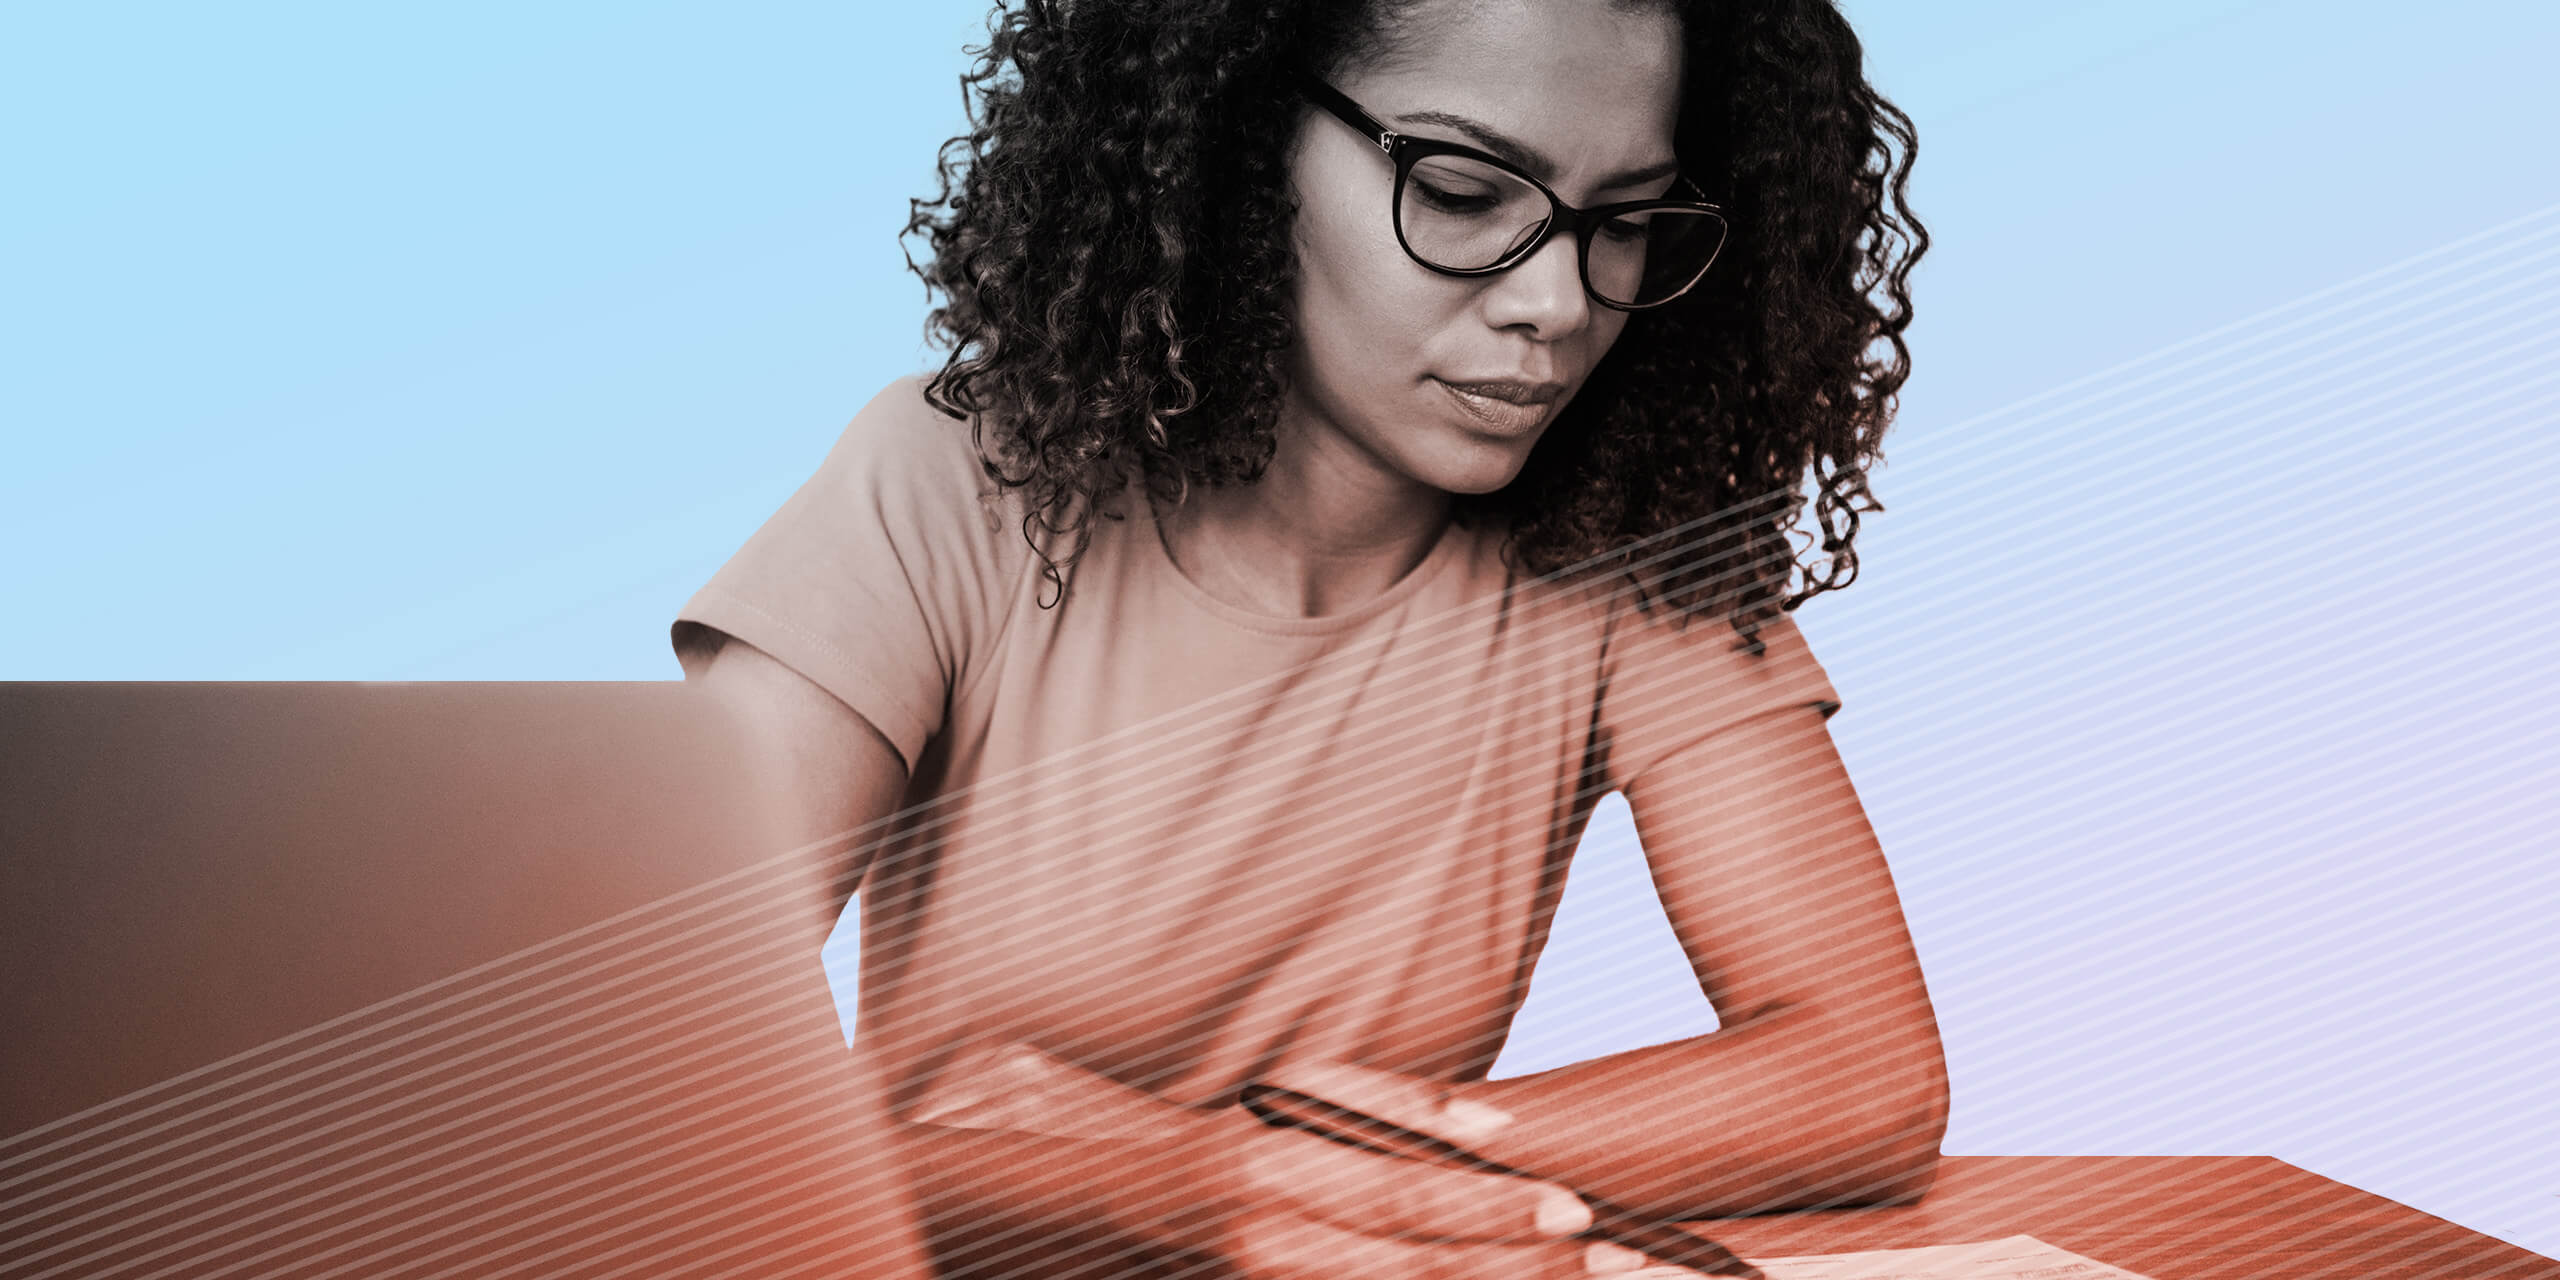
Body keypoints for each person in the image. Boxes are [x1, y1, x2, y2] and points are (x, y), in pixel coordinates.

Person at [674, 0, 1941, 1274]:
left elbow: (1865, 1077)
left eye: (1623, 223)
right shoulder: (952, 485)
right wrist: (1190, 1188)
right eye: (1459, 193)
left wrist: (1199, 1164)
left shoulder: (1619, 544)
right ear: (1238, 150)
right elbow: (605, 1105)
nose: (1557, 303)